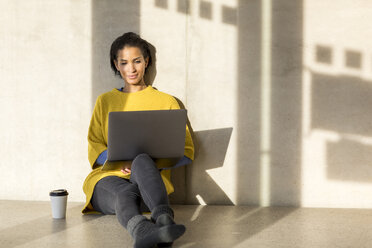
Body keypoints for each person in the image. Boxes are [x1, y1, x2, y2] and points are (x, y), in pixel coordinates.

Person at [82, 32, 194, 248]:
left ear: (146, 61)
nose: (131, 69)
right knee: (124, 192)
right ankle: (149, 230)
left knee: (142, 159)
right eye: (123, 63)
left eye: (137, 61)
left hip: (149, 185)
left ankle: (161, 220)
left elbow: (186, 148)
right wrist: (118, 161)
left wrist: (148, 166)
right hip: (107, 179)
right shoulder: (105, 101)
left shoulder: (166, 101)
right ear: (116, 64)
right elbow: (94, 142)